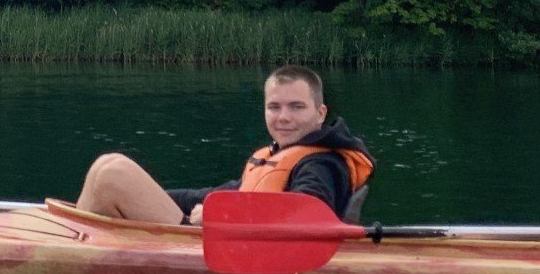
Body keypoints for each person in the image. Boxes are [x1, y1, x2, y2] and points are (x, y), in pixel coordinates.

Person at [74, 64, 374, 226]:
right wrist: (150, 198)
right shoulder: (276, 155)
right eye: (274, 107)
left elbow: (307, 214)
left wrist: (222, 215)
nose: (283, 117)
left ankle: (74, 259)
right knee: (106, 167)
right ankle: (77, 251)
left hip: (220, 253)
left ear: (320, 113)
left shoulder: (322, 163)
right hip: (219, 243)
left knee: (113, 173)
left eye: (296, 107)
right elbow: (220, 194)